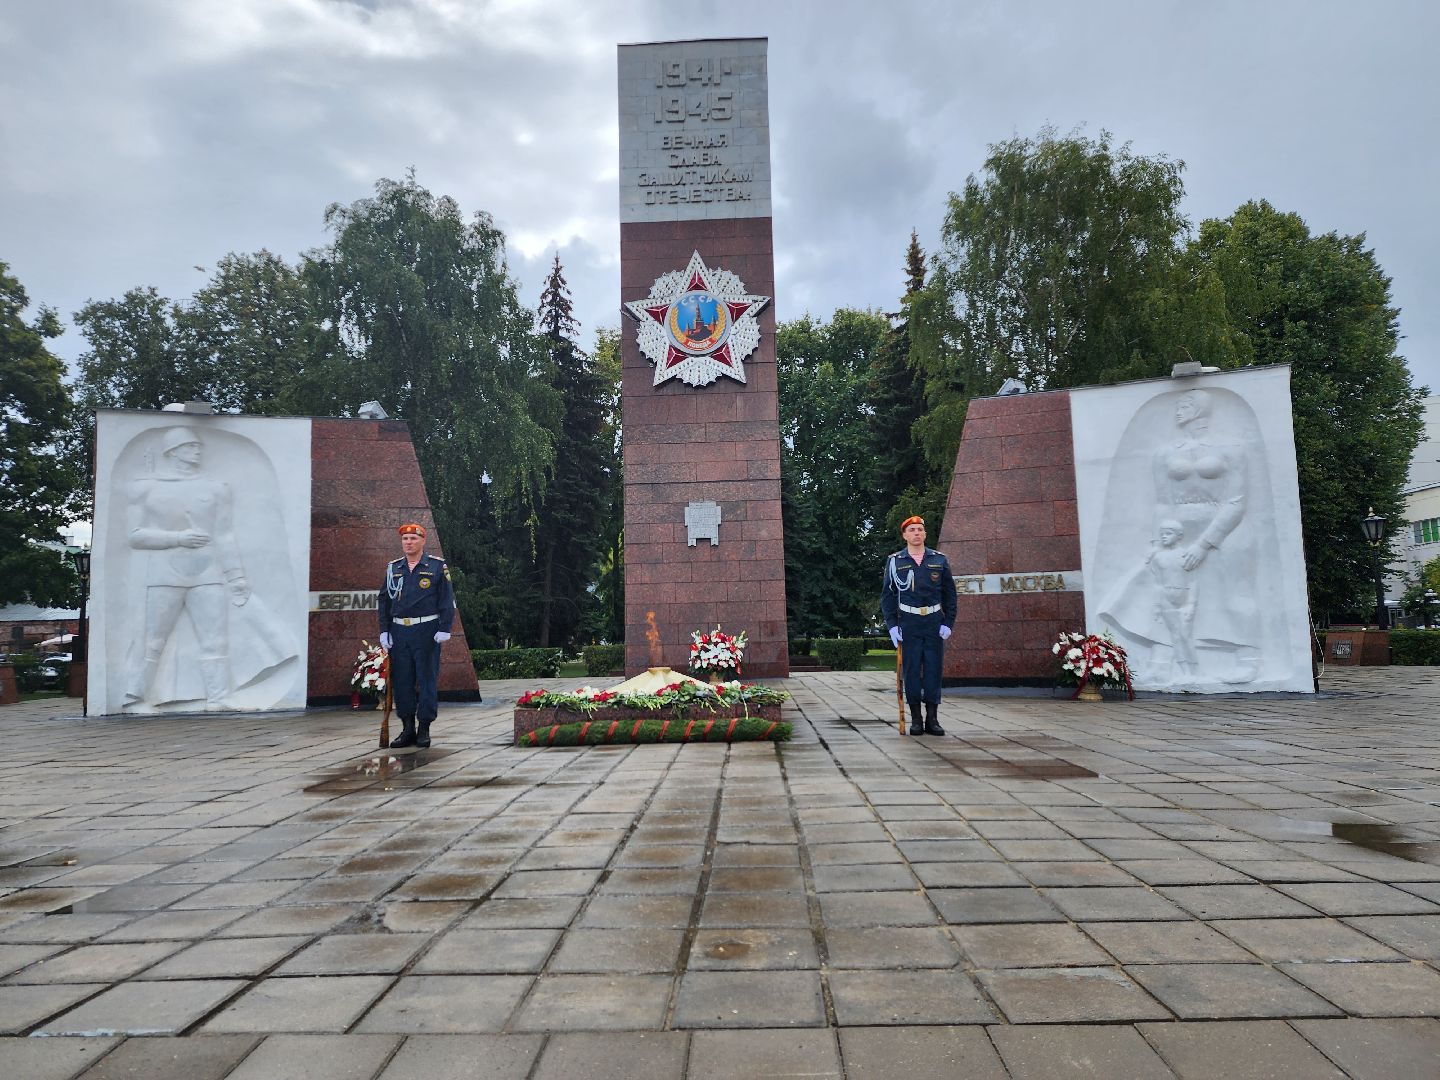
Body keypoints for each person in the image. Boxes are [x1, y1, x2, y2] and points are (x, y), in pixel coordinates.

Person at [125, 427, 249, 710]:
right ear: (173, 452)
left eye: (198, 445)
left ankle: (218, 697)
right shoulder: (149, 487)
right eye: (190, 445)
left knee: (215, 638)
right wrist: (177, 538)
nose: (198, 450)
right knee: (154, 639)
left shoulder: (215, 488)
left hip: (207, 572)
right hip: (164, 573)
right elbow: (134, 535)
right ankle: (136, 695)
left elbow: (225, 535)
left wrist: (236, 575)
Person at [378, 523, 454, 748]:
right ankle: (407, 728)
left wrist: (445, 628)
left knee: (426, 679)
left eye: (413, 538)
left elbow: (446, 600)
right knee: (402, 681)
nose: (408, 542)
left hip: (426, 631)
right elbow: (384, 601)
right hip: (399, 631)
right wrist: (384, 630)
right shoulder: (394, 568)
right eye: (405, 539)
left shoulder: (436, 567)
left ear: (422, 541)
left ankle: (424, 728)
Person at [881, 515, 957, 735]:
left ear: (925, 534)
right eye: (912, 530)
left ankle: (932, 719)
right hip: (909, 623)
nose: (916, 533)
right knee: (912, 671)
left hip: (933, 622)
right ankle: (915, 719)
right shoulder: (895, 561)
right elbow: (887, 596)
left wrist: (948, 623)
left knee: (933, 670)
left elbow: (950, 595)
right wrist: (892, 626)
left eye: (919, 529)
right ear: (904, 535)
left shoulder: (939, 560)